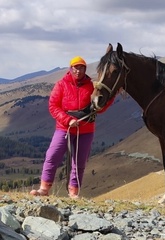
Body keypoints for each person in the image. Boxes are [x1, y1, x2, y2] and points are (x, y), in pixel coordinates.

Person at [30, 56, 114, 199]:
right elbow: (53, 106)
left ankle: (73, 192)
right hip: (64, 128)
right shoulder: (61, 84)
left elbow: (99, 108)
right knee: (52, 156)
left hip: (86, 130)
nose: (78, 70)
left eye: (81, 68)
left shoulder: (91, 86)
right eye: (76, 67)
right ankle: (44, 189)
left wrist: (111, 97)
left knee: (79, 162)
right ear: (71, 68)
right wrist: (67, 120)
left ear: (85, 69)